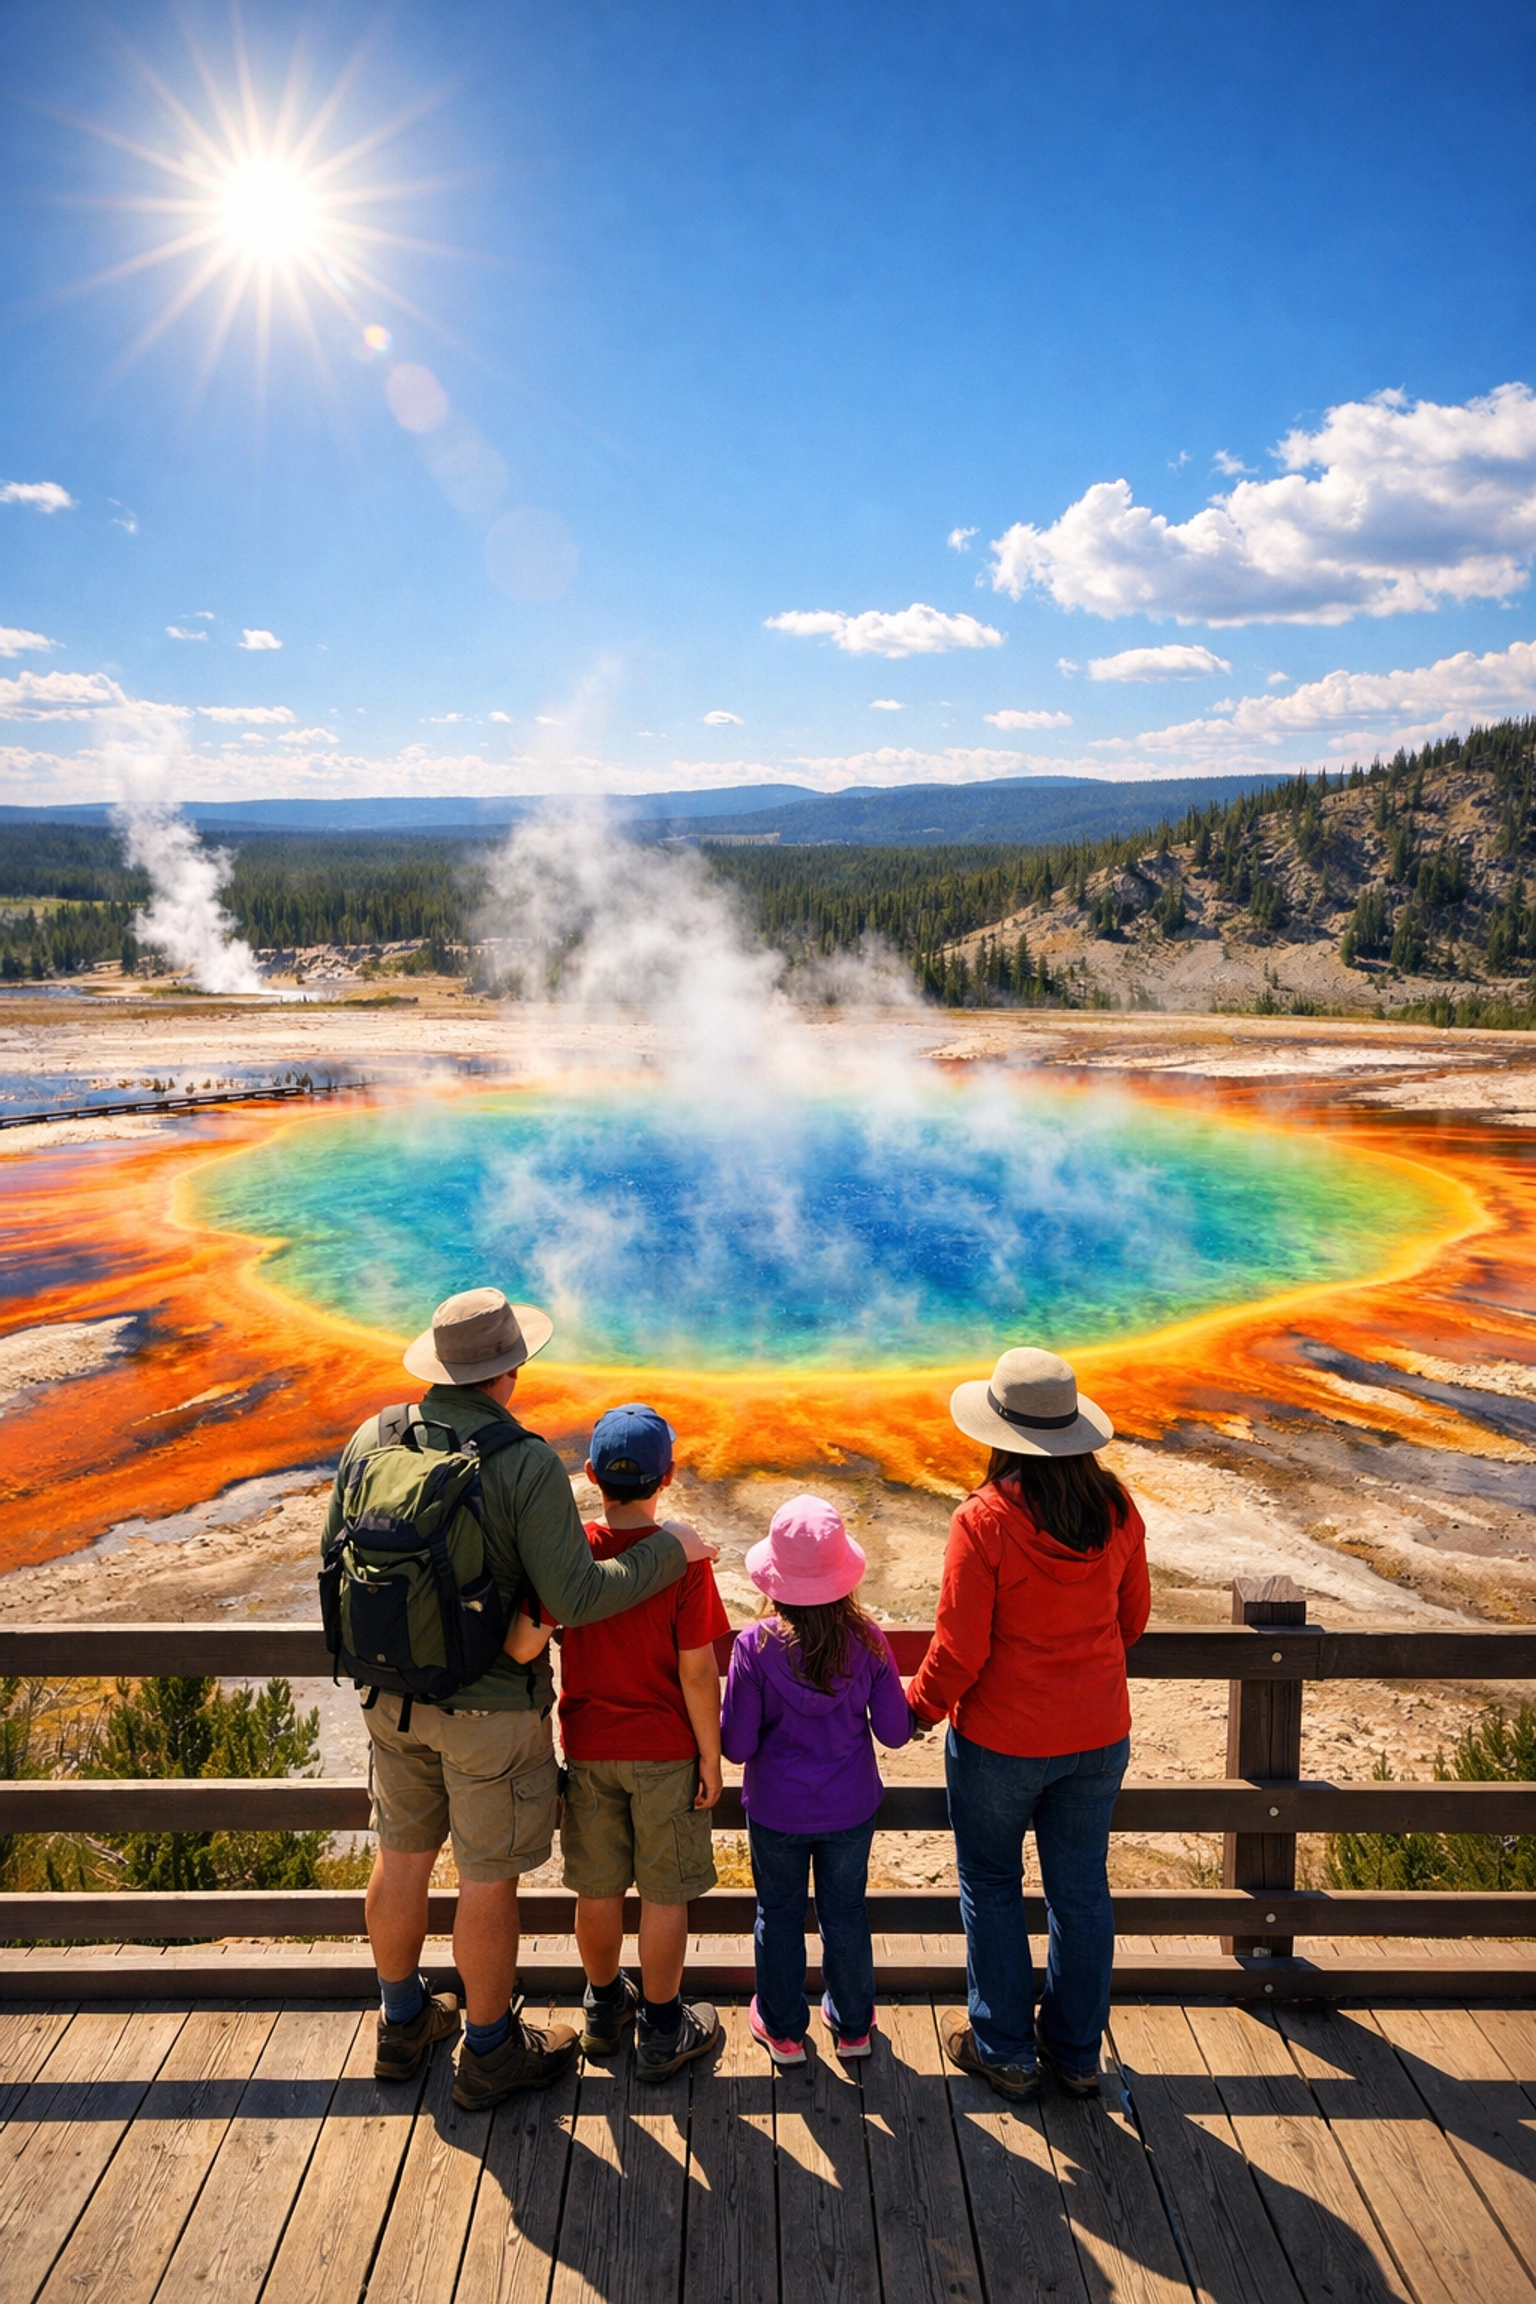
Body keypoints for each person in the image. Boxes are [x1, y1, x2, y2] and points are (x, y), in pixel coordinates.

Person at [322, 1289, 717, 2110]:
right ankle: (491, 2049)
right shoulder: (523, 1460)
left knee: (399, 1859)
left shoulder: (372, 1437)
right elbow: (572, 1592)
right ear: (509, 1368)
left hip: (390, 1698)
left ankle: (402, 2021)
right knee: (485, 1879)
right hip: (489, 1712)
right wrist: (667, 1558)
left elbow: (335, 1561)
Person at [907, 1347, 1148, 2103]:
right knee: (1080, 1893)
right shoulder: (1116, 1508)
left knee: (991, 1882)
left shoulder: (984, 1522)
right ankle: (1076, 2053)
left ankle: (1005, 2048)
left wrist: (915, 1708)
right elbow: (1132, 1620)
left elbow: (959, 1649)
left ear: (999, 1432)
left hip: (1003, 1741)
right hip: (1099, 1733)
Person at [512, 1403, 728, 2081]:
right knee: (666, 1893)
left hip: (589, 1747)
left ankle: (605, 2010)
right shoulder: (685, 1560)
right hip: (665, 1749)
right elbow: (698, 1670)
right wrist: (711, 1758)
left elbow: (524, 1645)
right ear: (668, 1475)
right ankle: (663, 2029)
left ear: (591, 1473)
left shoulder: (570, 1553)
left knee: (597, 1886)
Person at [720, 1494, 912, 2066]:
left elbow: (737, 1746)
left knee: (777, 1914)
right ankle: (852, 2024)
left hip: (777, 1810)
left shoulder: (753, 1647)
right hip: (850, 1808)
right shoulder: (869, 1639)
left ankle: (782, 2029)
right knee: (845, 1910)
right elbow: (896, 1734)